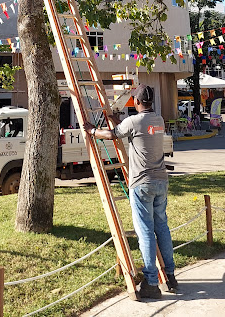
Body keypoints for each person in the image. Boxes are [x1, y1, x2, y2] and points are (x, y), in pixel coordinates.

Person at [84, 84, 178, 300]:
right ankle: (170, 276)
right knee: (162, 227)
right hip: (161, 181)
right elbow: (134, 130)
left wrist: (91, 130)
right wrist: (119, 121)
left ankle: (151, 282)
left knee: (145, 232)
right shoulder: (159, 120)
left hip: (142, 184)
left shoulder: (133, 121)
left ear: (136, 102)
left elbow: (111, 135)